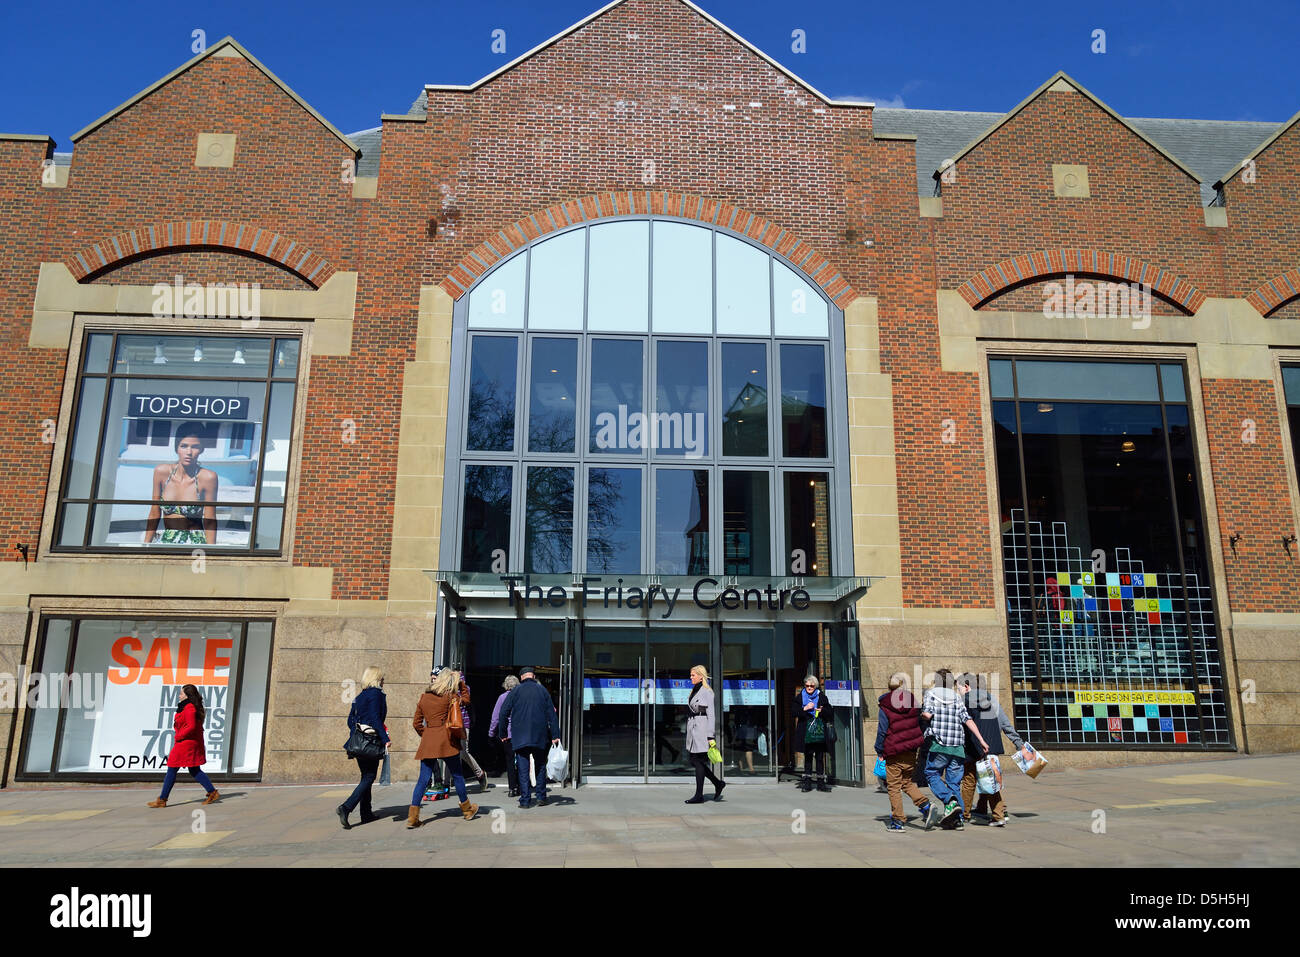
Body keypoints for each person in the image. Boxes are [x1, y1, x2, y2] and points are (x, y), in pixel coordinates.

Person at [921, 668, 990, 830]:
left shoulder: (931, 694)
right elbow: (967, 720)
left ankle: (949, 801)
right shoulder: (957, 698)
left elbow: (927, 715)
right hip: (958, 746)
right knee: (954, 782)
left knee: (931, 773)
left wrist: (921, 714)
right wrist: (981, 740)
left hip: (939, 744)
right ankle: (957, 819)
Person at [409, 669, 478, 828]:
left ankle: (413, 817)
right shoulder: (451, 697)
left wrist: (427, 735)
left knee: (423, 779)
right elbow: (466, 699)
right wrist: (461, 684)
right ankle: (467, 810)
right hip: (447, 741)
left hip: (429, 741)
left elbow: (416, 723)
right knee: (457, 775)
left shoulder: (424, 697)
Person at [957, 673, 1025, 827]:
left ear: (966, 687)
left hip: (974, 746)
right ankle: (999, 814)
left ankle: (964, 813)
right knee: (990, 780)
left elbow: (964, 723)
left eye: (959, 688)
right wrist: (1017, 742)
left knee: (968, 780)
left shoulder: (965, 701)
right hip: (992, 745)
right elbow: (1004, 723)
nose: (958, 691)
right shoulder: (990, 699)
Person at [874, 675, 935, 831]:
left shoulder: (885, 706)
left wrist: (879, 748)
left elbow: (882, 729)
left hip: (894, 750)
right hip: (910, 749)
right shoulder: (913, 703)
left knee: (893, 786)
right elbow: (920, 723)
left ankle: (898, 820)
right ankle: (925, 805)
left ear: (890, 687)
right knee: (906, 782)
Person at [143, 422, 218, 546]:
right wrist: (145, 545)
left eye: (195, 447)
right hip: (166, 540)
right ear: (176, 448)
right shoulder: (161, 472)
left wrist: (211, 552)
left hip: (195, 543)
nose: (189, 452)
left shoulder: (208, 478)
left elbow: (210, 520)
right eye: (184, 446)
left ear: (201, 449)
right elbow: (154, 512)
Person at [146, 684, 219, 808]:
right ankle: (212, 792)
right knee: (194, 769)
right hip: (187, 742)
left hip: (186, 743)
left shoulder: (189, 708)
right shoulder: (185, 707)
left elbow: (191, 726)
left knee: (172, 768)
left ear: (187, 696)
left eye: (181, 693)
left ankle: (162, 799)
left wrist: (179, 736)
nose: (179, 695)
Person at [498, 666, 560, 809]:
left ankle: (525, 800)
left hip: (520, 736)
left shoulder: (515, 691)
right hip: (539, 735)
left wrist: (503, 733)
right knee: (540, 765)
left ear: (521, 678)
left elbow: (503, 713)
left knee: (523, 768)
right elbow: (552, 714)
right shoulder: (542, 690)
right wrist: (555, 735)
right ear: (533, 676)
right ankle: (541, 797)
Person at [337, 666, 389, 829]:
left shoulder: (360, 696)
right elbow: (375, 718)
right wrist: (385, 738)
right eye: (382, 677)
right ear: (376, 678)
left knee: (366, 776)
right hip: (370, 742)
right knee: (369, 777)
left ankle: (366, 813)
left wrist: (357, 732)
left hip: (358, 743)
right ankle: (346, 807)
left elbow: (350, 720)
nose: (383, 680)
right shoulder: (376, 694)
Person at [434, 667, 489, 793]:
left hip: (463, 725)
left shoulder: (464, 688)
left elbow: (464, 699)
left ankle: (479, 773)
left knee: (463, 752)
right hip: (449, 726)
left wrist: (457, 682)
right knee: (450, 752)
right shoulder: (446, 689)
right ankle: (446, 783)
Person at [684, 665, 725, 804]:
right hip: (693, 728)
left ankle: (699, 795)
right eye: (690, 675)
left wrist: (710, 735)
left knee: (698, 761)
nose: (691, 677)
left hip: (701, 729)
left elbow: (711, 715)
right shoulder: (693, 690)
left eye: (693, 675)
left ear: (701, 676)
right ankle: (717, 783)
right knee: (695, 760)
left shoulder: (707, 692)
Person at [796, 675, 834, 793]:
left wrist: (821, 711)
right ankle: (807, 784)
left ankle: (821, 784)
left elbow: (830, 712)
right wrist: (805, 708)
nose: (809, 687)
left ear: (816, 686)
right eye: (807, 685)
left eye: (812, 686)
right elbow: (793, 711)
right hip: (806, 731)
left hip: (819, 732)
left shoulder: (822, 697)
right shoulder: (800, 697)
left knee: (819, 757)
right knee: (807, 757)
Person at [489, 675, 521, 797]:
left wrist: (491, 733)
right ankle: (522, 786)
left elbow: (496, 717)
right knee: (521, 761)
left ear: (506, 685)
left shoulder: (502, 698)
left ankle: (512, 788)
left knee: (510, 761)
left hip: (508, 734)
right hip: (521, 733)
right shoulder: (520, 697)